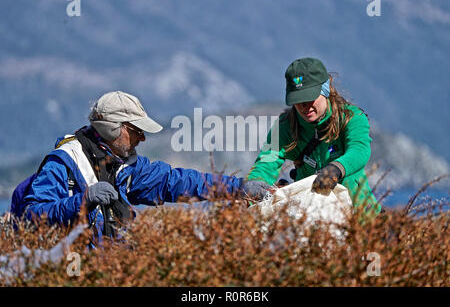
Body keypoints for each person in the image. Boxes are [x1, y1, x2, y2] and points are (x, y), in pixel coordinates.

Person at [11, 91, 243, 244]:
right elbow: (33, 216)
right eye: (136, 131)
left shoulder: (127, 165)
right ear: (112, 128)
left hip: (114, 267)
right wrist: (84, 200)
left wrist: (240, 188)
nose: (142, 139)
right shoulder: (63, 162)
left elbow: (177, 181)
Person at [244, 57, 381, 216]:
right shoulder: (285, 126)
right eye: (298, 100)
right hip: (311, 217)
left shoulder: (351, 118)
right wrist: (256, 183)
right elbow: (267, 160)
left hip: (361, 216)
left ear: (326, 90)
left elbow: (359, 150)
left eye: (310, 98)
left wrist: (336, 168)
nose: (304, 107)